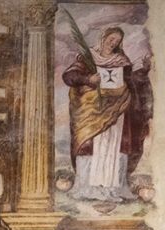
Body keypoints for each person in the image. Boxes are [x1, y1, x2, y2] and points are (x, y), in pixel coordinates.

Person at [62, 26, 153, 202]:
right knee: (91, 145)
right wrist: (88, 79)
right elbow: (69, 76)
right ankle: (88, 188)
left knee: (114, 145)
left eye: (117, 41)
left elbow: (131, 81)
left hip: (117, 112)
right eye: (111, 39)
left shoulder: (121, 60)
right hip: (91, 113)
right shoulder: (88, 57)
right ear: (103, 38)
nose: (113, 43)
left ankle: (113, 188)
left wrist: (144, 70)